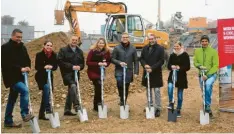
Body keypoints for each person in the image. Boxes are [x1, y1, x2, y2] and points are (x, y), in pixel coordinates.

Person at [1, 29, 34, 128]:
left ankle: (8, 121)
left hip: (21, 76)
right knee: (25, 91)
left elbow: (27, 59)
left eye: (20, 37)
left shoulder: (22, 47)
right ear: (12, 36)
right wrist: (20, 68)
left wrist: (28, 67)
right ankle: (24, 114)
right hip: (11, 77)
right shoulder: (5, 48)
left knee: (12, 99)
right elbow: (5, 64)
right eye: (17, 37)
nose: (19, 39)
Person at [57, 35, 85, 116]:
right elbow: (60, 61)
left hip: (76, 74)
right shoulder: (63, 50)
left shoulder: (80, 51)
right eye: (73, 40)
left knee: (71, 91)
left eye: (76, 40)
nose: (74, 41)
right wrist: (71, 66)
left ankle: (67, 110)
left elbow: (82, 63)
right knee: (73, 86)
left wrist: (80, 67)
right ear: (70, 40)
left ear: (77, 41)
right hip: (66, 73)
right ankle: (76, 105)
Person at [140, 34, 165, 117]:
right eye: (150, 39)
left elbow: (161, 61)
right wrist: (145, 65)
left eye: (153, 39)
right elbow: (141, 58)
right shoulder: (145, 48)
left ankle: (158, 108)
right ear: (148, 40)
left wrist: (152, 68)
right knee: (148, 90)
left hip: (156, 72)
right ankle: (150, 105)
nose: (151, 40)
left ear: (155, 39)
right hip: (147, 72)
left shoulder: (160, 48)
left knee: (157, 91)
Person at [193, 35, 219, 118]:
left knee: (207, 85)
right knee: (204, 91)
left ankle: (207, 106)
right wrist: (199, 66)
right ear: (201, 42)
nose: (204, 43)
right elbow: (195, 62)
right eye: (203, 41)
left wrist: (207, 75)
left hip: (211, 74)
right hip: (201, 74)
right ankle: (208, 106)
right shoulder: (197, 51)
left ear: (208, 42)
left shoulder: (213, 52)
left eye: (206, 41)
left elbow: (216, 65)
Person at [111, 32, 139, 106]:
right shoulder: (117, 48)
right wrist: (119, 62)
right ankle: (121, 97)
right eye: (123, 37)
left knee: (126, 87)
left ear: (128, 38)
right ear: (121, 38)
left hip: (128, 71)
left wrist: (136, 72)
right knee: (119, 84)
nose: (125, 38)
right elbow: (112, 59)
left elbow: (136, 60)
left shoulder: (133, 48)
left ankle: (123, 102)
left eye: (126, 37)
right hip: (119, 70)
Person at [35, 40, 58, 120]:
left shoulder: (54, 55)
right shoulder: (39, 55)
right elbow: (37, 67)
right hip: (40, 76)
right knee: (46, 89)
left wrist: (51, 67)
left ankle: (41, 114)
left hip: (49, 77)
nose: (49, 47)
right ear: (44, 46)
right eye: (47, 45)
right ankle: (47, 109)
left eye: (51, 46)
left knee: (47, 93)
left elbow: (55, 67)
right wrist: (44, 67)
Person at [86, 38, 111, 112]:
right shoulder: (92, 51)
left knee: (99, 88)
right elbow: (88, 62)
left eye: (103, 43)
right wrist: (98, 64)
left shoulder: (107, 52)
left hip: (101, 72)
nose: (101, 44)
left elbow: (109, 60)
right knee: (98, 86)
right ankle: (98, 104)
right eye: (100, 43)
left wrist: (106, 64)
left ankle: (96, 106)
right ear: (97, 43)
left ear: (105, 44)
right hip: (93, 72)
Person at [167, 42, 190, 118]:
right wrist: (171, 66)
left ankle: (179, 109)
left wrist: (180, 68)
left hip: (181, 77)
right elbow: (168, 66)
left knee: (179, 95)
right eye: (175, 46)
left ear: (181, 46)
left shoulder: (185, 55)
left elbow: (188, 67)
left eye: (178, 46)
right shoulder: (172, 55)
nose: (176, 47)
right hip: (172, 76)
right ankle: (171, 102)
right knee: (170, 88)